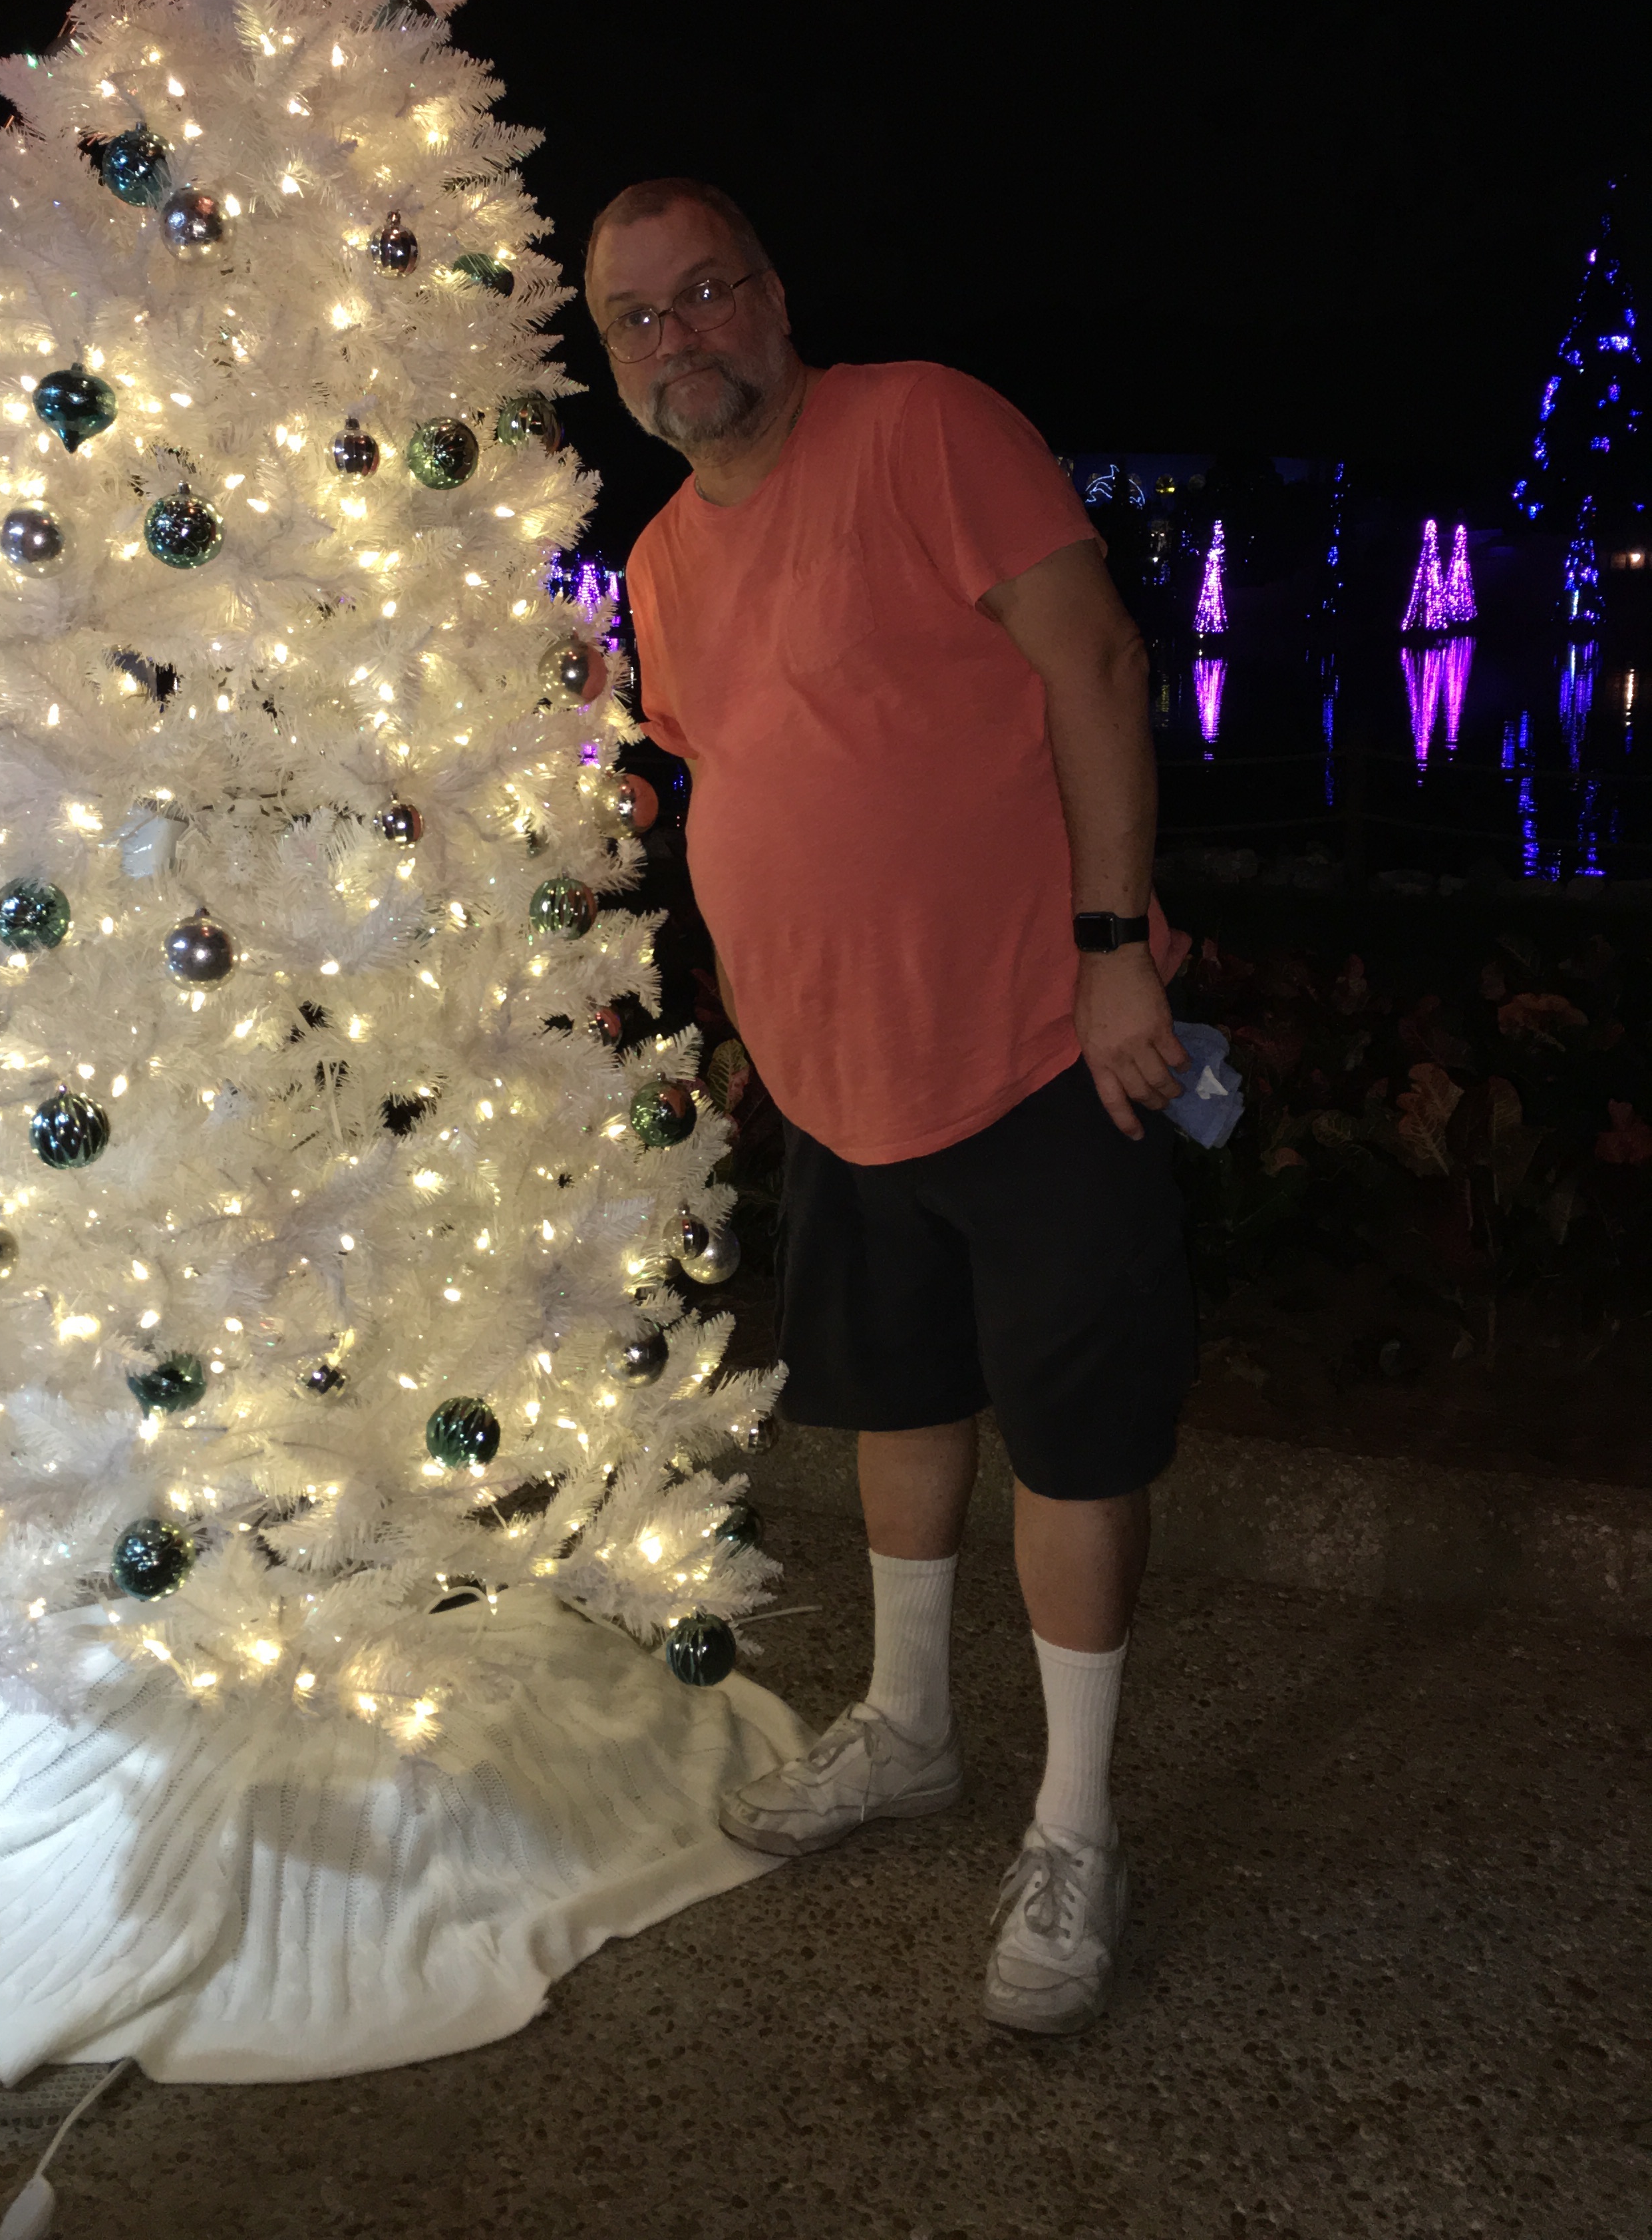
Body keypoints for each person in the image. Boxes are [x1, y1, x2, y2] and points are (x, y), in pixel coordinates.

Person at [589, 178, 1196, 2036]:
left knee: (1075, 1445)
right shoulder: (661, 561)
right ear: (614, 360)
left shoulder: (922, 426)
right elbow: (751, 777)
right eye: (638, 318)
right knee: (896, 1401)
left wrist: (1115, 948)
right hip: (839, 1083)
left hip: (1036, 1041)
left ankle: (1076, 1823)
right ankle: (910, 1724)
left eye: (707, 292)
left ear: (775, 298)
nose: (681, 337)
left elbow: (1096, 663)